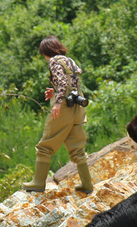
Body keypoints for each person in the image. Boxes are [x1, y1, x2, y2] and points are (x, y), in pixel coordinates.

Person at [22, 35, 94, 194]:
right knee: (77, 149)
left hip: (64, 110)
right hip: (78, 108)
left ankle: (38, 183)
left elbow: (62, 83)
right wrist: (54, 92)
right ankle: (87, 185)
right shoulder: (70, 61)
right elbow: (71, 83)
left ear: (47, 51)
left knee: (45, 147)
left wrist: (57, 103)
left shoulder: (54, 61)